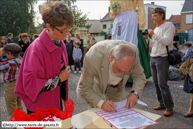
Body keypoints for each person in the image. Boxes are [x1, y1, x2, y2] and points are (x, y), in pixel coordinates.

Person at [14, 1, 73, 114]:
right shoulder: (36, 49)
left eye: (68, 29)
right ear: (49, 26)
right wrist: (59, 79)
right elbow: (31, 85)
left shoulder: (61, 43)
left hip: (55, 101)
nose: (67, 33)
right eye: (63, 30)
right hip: (40, 106)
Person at [76, 40, 146, 112]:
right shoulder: (92, 57)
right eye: (119, 70)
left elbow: (139, 76)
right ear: (112, 58)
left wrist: (135, 93)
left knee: (116, 112)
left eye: (127, 71)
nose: (122, 74)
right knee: (95, 111)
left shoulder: (132, 53)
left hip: (117, 87)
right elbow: (85, 87)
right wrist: (101, 104)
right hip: (97, 83)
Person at [148, 7, 175, 116]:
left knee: (162, 84)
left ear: (161, 15)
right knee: (156, 83)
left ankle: (169, 107)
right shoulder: (157, 28)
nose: (152, 18)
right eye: (152, 16)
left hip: (162, 58)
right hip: (153, 57)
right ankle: (162, 103)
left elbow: (167, 41)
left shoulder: (169, 25)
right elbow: (155, 45)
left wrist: (153, 34)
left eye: (154, 16)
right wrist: (148, 39)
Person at [0, 43, 23, 117]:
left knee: (12, 110)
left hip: (10, 87)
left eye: (6, 53)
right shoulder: (22, 59)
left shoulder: (8, 63)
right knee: (19, 106)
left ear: (10, 53)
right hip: (20, 85)